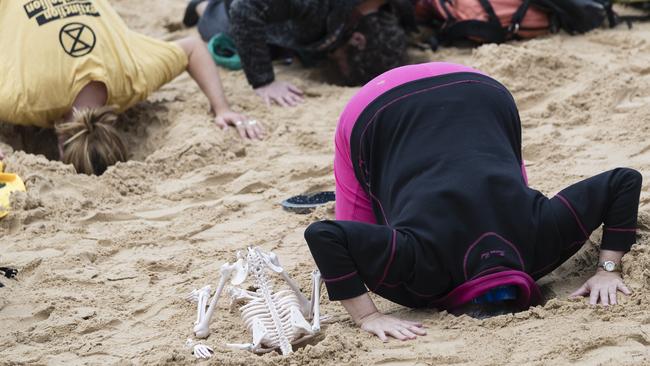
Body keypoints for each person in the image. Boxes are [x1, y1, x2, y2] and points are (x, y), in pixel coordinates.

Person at [304, 62, 642, 342]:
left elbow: (624, 180)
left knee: (501, 180)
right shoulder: (422, 266)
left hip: (477, 89)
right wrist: (368, 316)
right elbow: (324, 235)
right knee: (365, 238)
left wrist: (606, 270)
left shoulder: (543, 240)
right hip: (382, 107)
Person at [0, 0, 264, 176]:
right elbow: (194, 48)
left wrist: (222, 108)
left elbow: (195, 48)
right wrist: (221, 107)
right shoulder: (26, 101)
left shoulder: (131, 78)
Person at [183, 0, 413, 107]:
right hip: (243, 5)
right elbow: (244, 10)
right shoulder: (314, 6)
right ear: (357, 38)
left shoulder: (401, 7)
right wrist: (264, 81)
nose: (334, 59)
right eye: (340, 59)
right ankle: (203, 6)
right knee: (229, 32)